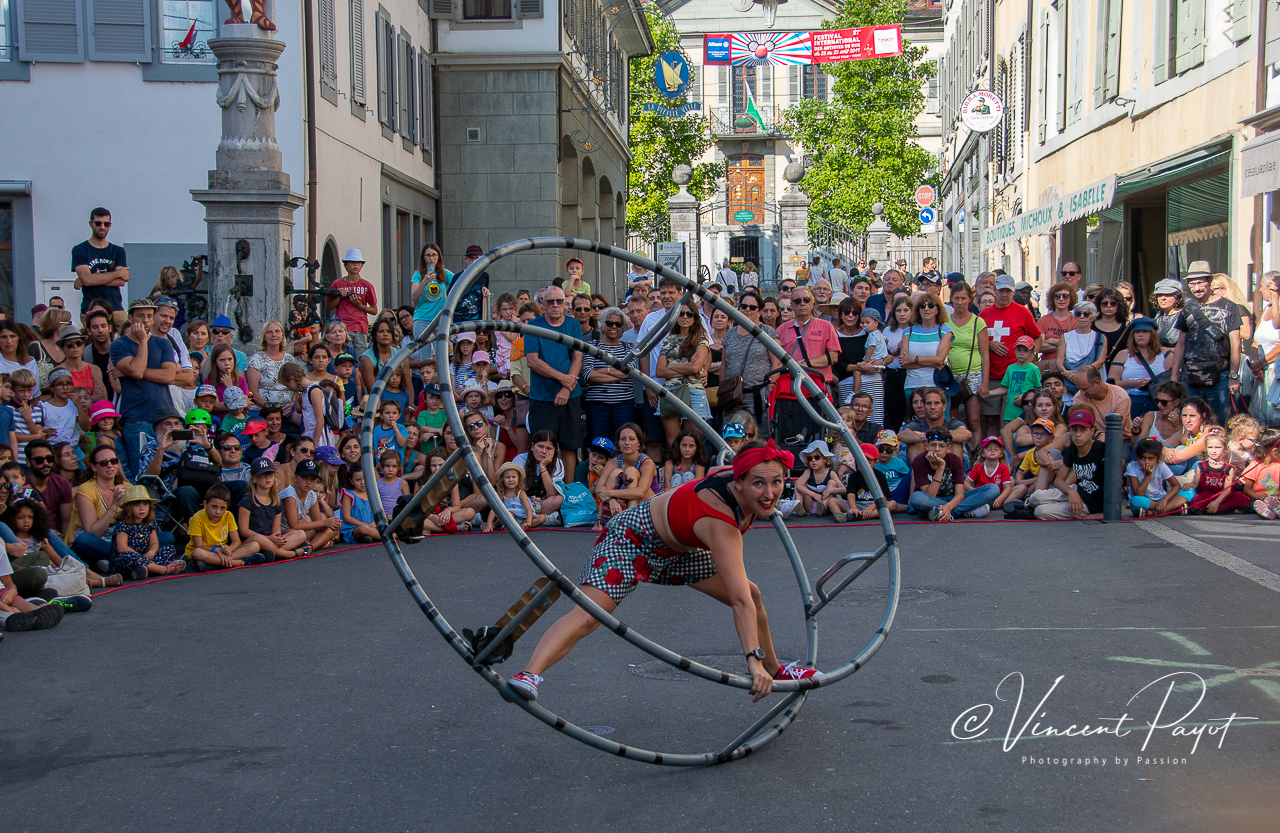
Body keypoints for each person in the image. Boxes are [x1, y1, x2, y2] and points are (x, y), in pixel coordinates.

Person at [507, 440, 820, 703]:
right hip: (633, 539)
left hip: (679, 548)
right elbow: (738, 602)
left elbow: (743, 596)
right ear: (738, 482)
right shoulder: (722, 524)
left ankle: (776, 670)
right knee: (590, 615)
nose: (770, 493)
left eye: (776, 482)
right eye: (758, 484)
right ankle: (529, 674)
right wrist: (752, 660)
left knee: (754, 593)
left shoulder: (733, 479)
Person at [109, 299, 177, 480]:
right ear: (130, 318)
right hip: (137, 418)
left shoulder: (163, 343)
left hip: (164, 418)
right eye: (140, 316)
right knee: (142, 474)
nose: (145, 320)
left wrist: (131, 372)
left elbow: (169, 376)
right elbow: (137, 371)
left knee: (168, 472)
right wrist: (143, 342)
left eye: (149, 316)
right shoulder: (118, 345)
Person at [1168, 262, 1243, 425]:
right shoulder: (1187, 308)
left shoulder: (1229, 307)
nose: (1196, 288)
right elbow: (1181, 344)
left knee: (1217, 424)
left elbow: (1235, 343)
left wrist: (1234, 376)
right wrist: (1174, 376)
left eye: (1200, 282)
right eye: (1192, 284)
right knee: (1191, 423)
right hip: (1191, 375)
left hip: (1220, 375)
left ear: (1209, 281)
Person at [524, 285, 584, 479]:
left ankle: (569, 489)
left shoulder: (573, 325)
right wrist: (563, 379)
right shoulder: (533, 325)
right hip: (542, 396)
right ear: (542, 304)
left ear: (566, 304)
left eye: (559, 301)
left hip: (571, 395)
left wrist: (567, 388)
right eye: (550, 301)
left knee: (569, 446)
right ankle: (543, 488)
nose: (555, 305)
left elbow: (578, 357)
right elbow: (532, 361)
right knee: (542, 447)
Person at [980, 275, 1043, 435]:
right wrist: (990, 344)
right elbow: (975, 340)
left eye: (1008, 291)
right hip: (993, 375)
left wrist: (1033, 356)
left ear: (1013, 292)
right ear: (994, 290)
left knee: (1017, 419)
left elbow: (1037, 336)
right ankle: (992, 447)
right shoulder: (984, 314)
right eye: (1001, 290)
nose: (1004, 294)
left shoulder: (1023, 312)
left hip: (1018, 376)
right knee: (991, 419)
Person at [1025, 408, 1107, 520]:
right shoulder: (1072, 449)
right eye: (1074, 430)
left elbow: (1116, 482)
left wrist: (1104, 514)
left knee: (1041, 511)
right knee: (1037, 497)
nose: (1078, 434)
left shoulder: (1101, 449)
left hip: (1091, 503)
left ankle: (1031, 510)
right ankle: (1027, 506)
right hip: (1077, 490)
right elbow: (1059, 481)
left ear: (1092, 431)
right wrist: (1071, 491)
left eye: (1083, 430)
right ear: (1069, 431)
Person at [907, 428, 995, 520]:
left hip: (952, 499)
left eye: (941, 446)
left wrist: (949, 506)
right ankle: (964, 510)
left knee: (992, 489)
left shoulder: (955, 460)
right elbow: (929, 495)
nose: (937, 449)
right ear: (926, 446)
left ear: (948, 448)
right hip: (931, 500)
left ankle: (944, 512)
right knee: (916, 498)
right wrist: (940, 467)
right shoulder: (919, 461)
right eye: (933, 445)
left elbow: (960, 495)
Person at [581, 306, 636, 449]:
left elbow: (629, 373)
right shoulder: (591, 347)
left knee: (623, 444)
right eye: (610, 323)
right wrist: (616, 372)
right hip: (597, 405)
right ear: (602, 325)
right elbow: (588, 374)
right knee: (597, 445)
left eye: (618, 324)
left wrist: (603, 371)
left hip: (624, 405)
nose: (614, 327)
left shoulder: (629, 348)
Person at [946, 282, 989, 446]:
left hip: (973, 374)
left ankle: (975, 454)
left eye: (963, 298)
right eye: (956, 298)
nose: (959, 302)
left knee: (974, 421)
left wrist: (985, 383)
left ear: (970, 300)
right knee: (952, 422)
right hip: (951, 376)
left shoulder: (978, 322)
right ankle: (955, 453)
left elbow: (985, 354)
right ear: (951, 299)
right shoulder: (945, 322)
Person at [72, 207, 129, 328]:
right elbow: (87, 280)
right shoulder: (80, 250)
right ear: (91, 224)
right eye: (98, 223)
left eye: (106, 224)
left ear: (110, 225)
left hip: (115, 308)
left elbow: (121, 281)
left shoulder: (118, 251)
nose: (102, 227)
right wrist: (116, 274)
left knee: (127, 335)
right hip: (90, 308)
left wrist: (90, 279)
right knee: (94, 338)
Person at [108, 485, 183, 579]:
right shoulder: (123, 524)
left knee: (169, 548)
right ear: (129, 507)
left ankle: (142, 571)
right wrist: (140, 558)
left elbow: (154, 543)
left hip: (145, 558)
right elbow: (123, 548)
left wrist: (151, 553)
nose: (142, 508)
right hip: (129, 559)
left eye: (145, 504)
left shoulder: (149, 523)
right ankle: (161, 569)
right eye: (137, 505)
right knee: (127, 555)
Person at [1110, 318, 1168, 420]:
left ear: (1152, 334)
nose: (1140, 335)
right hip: (1130, 400)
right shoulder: (1123, 354)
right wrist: (1134, 383)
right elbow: (1111, 382)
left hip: (1157, 400)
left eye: (1144, 331)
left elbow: (1173, 379)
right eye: (1137, 332)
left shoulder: (1165, 354)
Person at [326, 249, 378, 357]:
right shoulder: (337, 284)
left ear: (362, 266)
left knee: (360, 359)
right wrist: (339, 297)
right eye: (352, 262)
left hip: (360, 327)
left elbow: (374, 310)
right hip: (343, 328)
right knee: (345, 358)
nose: (356, 265)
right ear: (346, 265)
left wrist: (360, 306)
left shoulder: (367, 285)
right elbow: (329, 306)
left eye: (358, 262)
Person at [897, 387, 970, 462]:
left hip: (949, 465)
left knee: (955, 440)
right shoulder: (917, 424)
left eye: (937, 403)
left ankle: (951, 470)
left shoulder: (951, 422)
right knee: (915, 439)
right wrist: (922, 437)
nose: (932, 407)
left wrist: (940, 436)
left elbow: (966, 434)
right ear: (924, 407)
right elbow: (901, 435)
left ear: (944, 407)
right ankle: (920, 470)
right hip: (923, 466)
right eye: (929, 403)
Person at [1127, 438, 1193, 517]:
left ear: (1157, 459)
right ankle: (1172, 509)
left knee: (1190, 491)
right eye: (1143, 458)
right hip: (1144, 501)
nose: (1146, 462)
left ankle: (1154, 513)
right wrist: (1148, 475)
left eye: (1151, 459)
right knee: (1135, 501)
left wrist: (1165, 499)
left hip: (1161, 499)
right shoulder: (1132, 467)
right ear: (1137, 457)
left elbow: (1176, 485)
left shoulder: (1160, 465)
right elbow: (1138, 494)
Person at [247, 320, 299, 414]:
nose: (274, 334)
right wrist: (273, 410)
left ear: (282, 335)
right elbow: (253, 393)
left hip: (289, 409)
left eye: (277, 331)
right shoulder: (256, 359)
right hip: (264, 410)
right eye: (269, 332)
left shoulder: (289, 359)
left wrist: (292, 403)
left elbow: (297, 387)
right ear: (264, 337)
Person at [481, 462, 544, 532]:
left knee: (542, 518)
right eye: (507, 477)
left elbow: (528, 509)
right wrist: (489, 523)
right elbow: (494, 510)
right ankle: (494, 525)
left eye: (514, 477)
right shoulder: (501, 494)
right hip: (509, 517)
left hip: (523, 518)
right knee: (508, 514)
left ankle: (520, 526)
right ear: (502, 480)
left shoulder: (521, 493)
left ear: (518, 478)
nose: (511, 480)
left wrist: (528, 522)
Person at [792, 440, 847, 519]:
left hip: (825, 502)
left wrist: (830, 491)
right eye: (810, 458)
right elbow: (799, 486)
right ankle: (799, 506)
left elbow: (843, 489)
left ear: (825, 459)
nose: (813, 460)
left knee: (832, 482)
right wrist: (814, 495)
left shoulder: (831, 473)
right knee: (799, 483)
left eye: (817, 457)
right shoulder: (808, 472)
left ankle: (823, 507)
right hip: (810, 506)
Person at [54, 325, 107, 401]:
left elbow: (103, 397)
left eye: (79, 343)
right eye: (69, 344)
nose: (75, 346)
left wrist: (76, 399)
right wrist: (90, 398)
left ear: (83, 345)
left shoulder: (94, 369)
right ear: (62, 348)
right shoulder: (58, 371)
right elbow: (60, 399)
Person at [1001, 337, 1043, 423]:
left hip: (1026, 414)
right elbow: (1005, 388)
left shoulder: (1034, 369)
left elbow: (1039, 390)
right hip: (1010, 413)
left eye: (1025, 351)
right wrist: (988, 392)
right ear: (1015, 351)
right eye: (1019, 350)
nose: (1021, 353)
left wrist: (1025, 396)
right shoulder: (1010, 368)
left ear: (1031, 353)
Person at [1038, 281, 1076, 366]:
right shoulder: (1043, 320)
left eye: (1065, 296)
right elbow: (1039, 347)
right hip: (1048, 366)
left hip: (1069, 366)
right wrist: (1064, 345)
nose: (1061, 299)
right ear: (1052, 298)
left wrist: (1052, 341)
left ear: (1071, 299)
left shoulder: (1076, 321)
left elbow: (1076, 346)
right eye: (1057, 296)